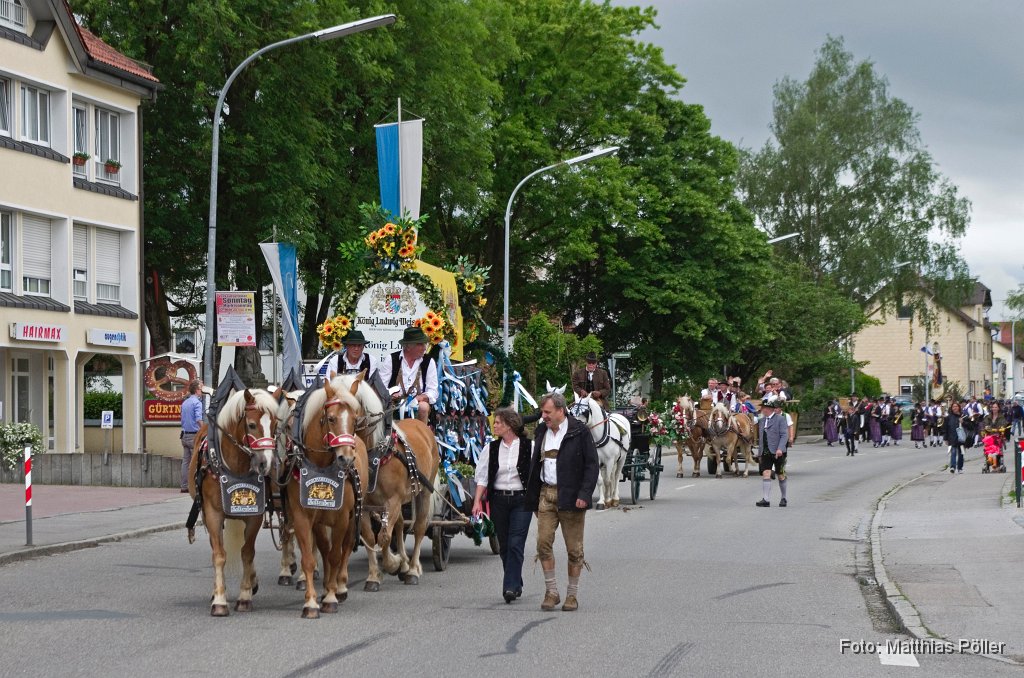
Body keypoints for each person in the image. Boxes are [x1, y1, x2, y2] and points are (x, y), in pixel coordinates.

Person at [525, 392, 599, 612]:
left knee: (574, 549)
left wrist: (584, 495)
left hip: (572, 497)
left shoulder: (580, 431)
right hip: (546, 495)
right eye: (542, 412)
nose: (544, 416)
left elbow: (592, 466)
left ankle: (572, 595)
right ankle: (552, 592)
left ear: (560, 410)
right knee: (543, 544)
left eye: (547, 412)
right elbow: (535, 465)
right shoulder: (541, 431)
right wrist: (533, 496)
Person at [472, 408, 532, 604]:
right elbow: (482, 477)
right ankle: (516, 581)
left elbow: (535, 475)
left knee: (516, 543)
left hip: (521, 500)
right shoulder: (490, 448)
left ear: (509, 425)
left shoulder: (528, 446)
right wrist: (477, 502)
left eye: (498, 422)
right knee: (505, 546)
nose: (494, 425)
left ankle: (509, 587)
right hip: (498, 500)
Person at [376, 326, 439, 425]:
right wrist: (391, 394)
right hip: (394, 404)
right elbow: (381, 387)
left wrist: (419, 398)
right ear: (408, 346)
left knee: (424, 407)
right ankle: (387, 437)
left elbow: (433, 391)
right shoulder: (391, 359)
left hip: (417, 406)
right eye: (420, 344)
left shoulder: (428, 362)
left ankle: (421, 437)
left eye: (424, 344)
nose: (424, 348)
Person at [756, 397, 789, 507]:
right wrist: (759, 453)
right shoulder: (761, 421)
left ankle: (783, 498)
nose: (762, 410)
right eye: (762, 408)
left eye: (764, 408)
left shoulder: (780, 419)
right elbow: (761, 438)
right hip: (765, 451)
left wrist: (780, 448)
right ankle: (766, 499)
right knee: (766, 473)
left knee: (780, 475)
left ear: (769, 409)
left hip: (778, 452)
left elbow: (784, 435)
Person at [180, 379, 204, 493]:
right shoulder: (197, 403)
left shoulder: (185, 402)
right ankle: (194, 486)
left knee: (185, 461)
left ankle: (184, 485)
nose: (202, 391)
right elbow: (198, 419)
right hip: (194, 436)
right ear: (196, 390)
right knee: (196, 461)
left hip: (184, 435)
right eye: (201, 389)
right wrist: (205, 429)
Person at [943, 401, 965, 474]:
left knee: (961, 453)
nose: (955, 408)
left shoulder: (963, 416)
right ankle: (952, 466)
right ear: (951, 408)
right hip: (952, 437)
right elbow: (945, 428)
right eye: (953, 407)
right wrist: (945, 438)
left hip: (961, 438)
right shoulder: (948, 417)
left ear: (959, 407)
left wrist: (963, 422)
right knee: (953, 452)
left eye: (956, 406)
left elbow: (970, 426)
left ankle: (960, 468)